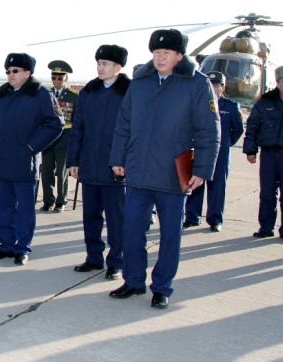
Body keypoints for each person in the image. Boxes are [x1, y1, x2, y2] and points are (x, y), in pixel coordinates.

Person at [109, 29, 220, 309]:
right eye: (156, 52)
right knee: (131, 231)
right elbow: (124, 124)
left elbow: (209, 131)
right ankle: (133, 281)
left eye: (166, 53)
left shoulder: (197, 84)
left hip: (173, 175)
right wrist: (118, 158)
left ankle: (161, 287)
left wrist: (202, 170)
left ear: (179, 56)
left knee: (170, 235)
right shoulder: (140, 82)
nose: (160, 57)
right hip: (138, 171)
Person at [0, 53, 63, 265]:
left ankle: (22, 247)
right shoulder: (2, 94)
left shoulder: (41, 94)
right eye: (8, 71)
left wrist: (31, 147)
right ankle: (6, 245)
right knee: (4, 207)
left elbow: (56, 123)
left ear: (27, 73)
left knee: (25, 209)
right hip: (2, 160)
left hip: (25, 162)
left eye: (15, 71)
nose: (10, 75)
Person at [67, 45, 130, 279]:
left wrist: (124, 161)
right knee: (91, 216)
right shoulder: (88, 92)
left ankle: (116, 261)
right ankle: (93, 257)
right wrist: (73, 160)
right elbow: (78, 128)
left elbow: (134, 131)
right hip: (89, 165)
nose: (100, 68)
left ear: (118, 67)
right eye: (99, 63)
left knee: (116, 219)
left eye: (105, 64)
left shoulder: (129, 92)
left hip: (115, 168)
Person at [242, 64, 283, 243]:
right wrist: (250, 149)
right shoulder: (265, 102)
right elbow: (253, 125)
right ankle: (266, 228)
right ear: (278, 83)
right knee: (267, 194)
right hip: (269, 156)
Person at [184, 71, 244, 232]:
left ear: (222, 87)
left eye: (216, 85)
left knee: (217, 186)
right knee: (195, 184)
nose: (212, 88)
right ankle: (192, 217)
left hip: (220, 152)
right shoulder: (196, 104)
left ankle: (215, 219)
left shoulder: (231, 107)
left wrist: (226, 143)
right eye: (210, 85)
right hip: (199, 150)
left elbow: (238, 130)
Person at [40, 60, 77, 212]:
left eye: (60, 78)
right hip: (48, 138)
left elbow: (77, 120)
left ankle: (61, 201)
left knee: (62, 172)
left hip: (65, 138)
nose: (56, 81)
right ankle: (48, 200)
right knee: (47, 171)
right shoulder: (45, 94)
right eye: (54, 77)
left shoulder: (73, 96)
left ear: (66, 79)